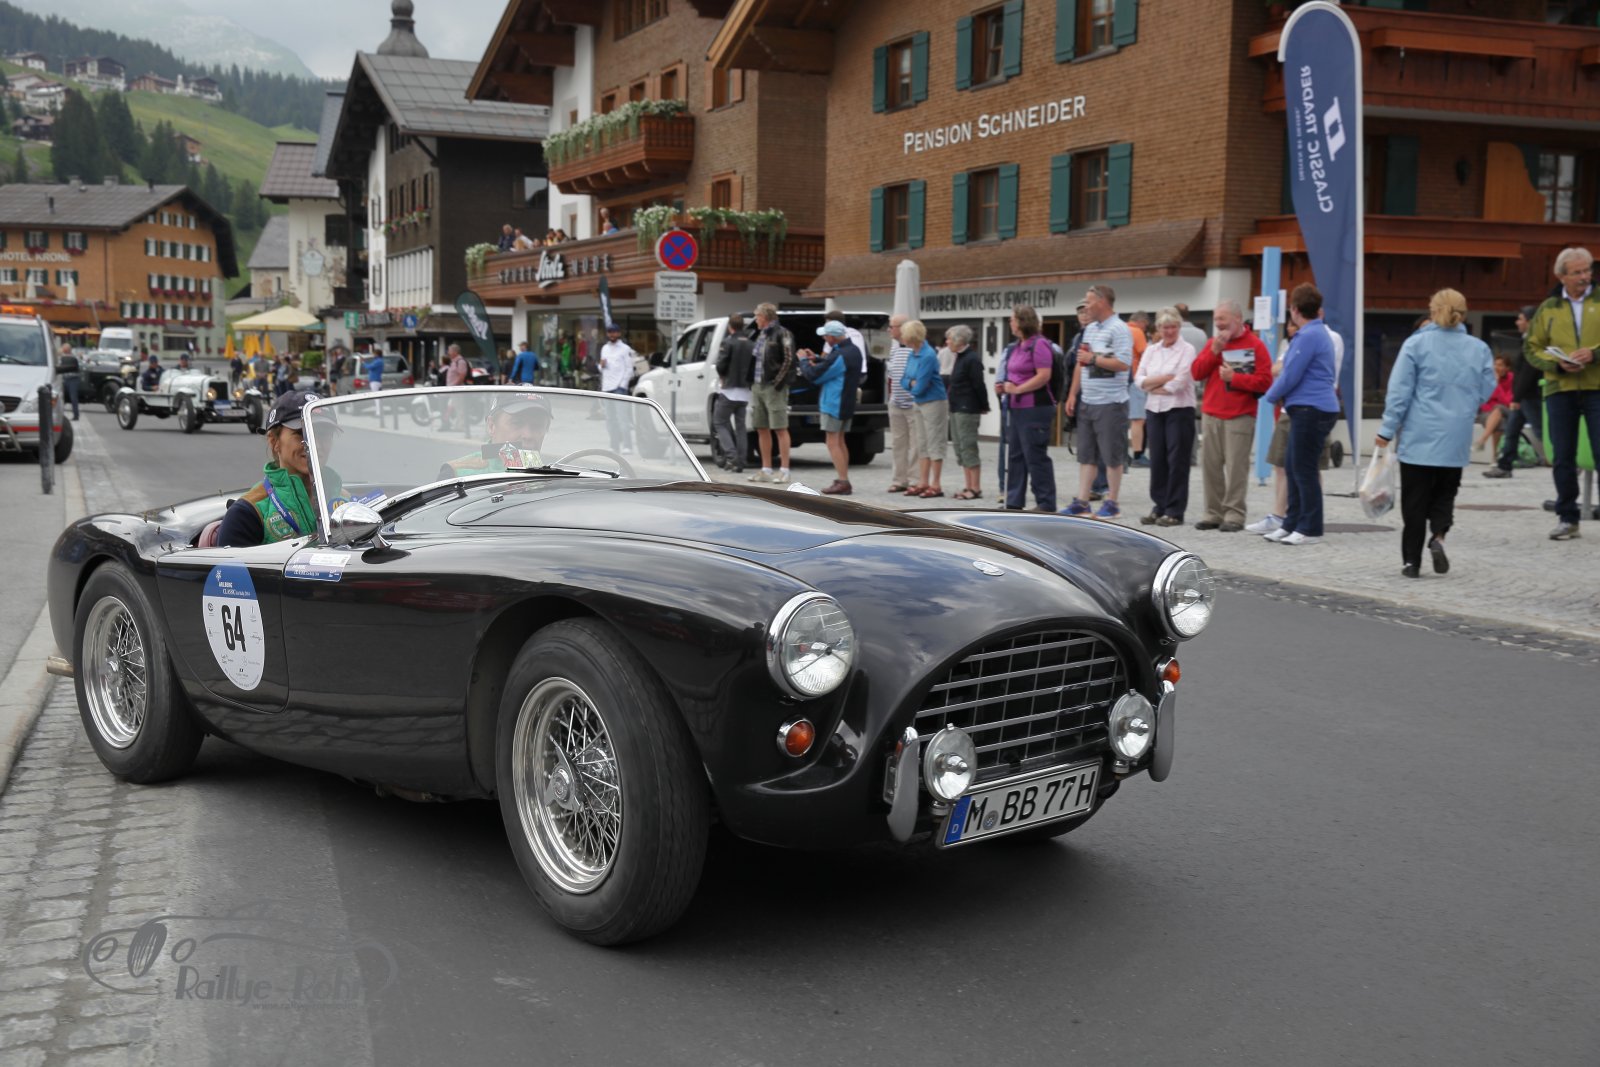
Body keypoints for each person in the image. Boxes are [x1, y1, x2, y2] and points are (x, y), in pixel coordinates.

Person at [1375, 288, 1497, 578]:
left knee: (1415, 500)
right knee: (1445, 493)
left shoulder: (1416, 344)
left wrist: (1387, 429)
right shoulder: (1478, 348)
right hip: (1456, 434)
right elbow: (1487, 388)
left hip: (1419, 433)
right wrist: (1466, 403)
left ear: (1432, 311)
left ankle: (1411, 561)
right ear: (1463, 314)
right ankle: (1439, 537)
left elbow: (1400, 392)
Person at [1522, 246, 1600, 540]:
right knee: (1563, 456)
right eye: (1577, 272)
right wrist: (1556, 364)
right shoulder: (1548, 308)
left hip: (1597, 388)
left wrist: (1594, 355)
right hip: (1560, 389)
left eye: (1587, 270)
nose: (1584, 276)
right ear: (1562, 276)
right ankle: (1568, 518)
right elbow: (1532, 348)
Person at [215, 391, 348, 547]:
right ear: (274, 441)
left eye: (323, 434)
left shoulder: (347, 501)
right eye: (302, 433)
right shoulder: (246, 513)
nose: (315, 444)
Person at [1262, 284, 1340, 546]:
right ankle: (1291, 523)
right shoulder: (1315, 333)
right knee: (1294, 466)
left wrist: (1269, 396)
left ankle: (1309, 527)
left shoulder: (1308, 336)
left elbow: (1290, 374)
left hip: (1311, 409)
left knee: (1304, 470)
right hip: (1309, 407)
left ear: (1294, 310)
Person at [1191, 298, 1273, 531]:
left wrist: (1235, 379)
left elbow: (1265, 381)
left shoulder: (1255, 345)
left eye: (1222, 319)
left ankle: (1234, 515)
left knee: (1236, 468)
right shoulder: (1213, 343)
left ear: (1237, 319)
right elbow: (1196, 372)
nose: (1218, 323)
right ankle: (1213, 513)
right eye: (1215, 319)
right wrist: (1214, 352)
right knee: (1211, 467)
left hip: (1240, 416)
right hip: (1212, 414)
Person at [1062, 285, 1132, 518]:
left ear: (1102, 302)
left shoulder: (1120, 329)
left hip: (1111, 401)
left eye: (1089, 301)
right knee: (1086, 454)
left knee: (1112, 455)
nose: (1086, 306)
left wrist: (1094, 358)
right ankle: (1082, 501)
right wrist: (1073, 394)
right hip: (1088, 400)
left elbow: (1123, 363)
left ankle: (1112, 502)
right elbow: (1081, 364)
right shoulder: (1090, 329)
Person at [1135, 308, 1198, 526]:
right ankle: (1159, 506)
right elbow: (1139, 380)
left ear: (1179, 327)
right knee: (1158, 459)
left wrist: (1154, 384)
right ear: (1158, 329)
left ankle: (1174, 510)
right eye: (1165, 327)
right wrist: (1162, 380)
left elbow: (1179, 382)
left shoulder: (1187, 350)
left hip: (1179, 409)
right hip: (1154, 409)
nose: (1169, 331)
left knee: (1177, 460)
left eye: (1173, 327)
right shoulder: (1151, 350)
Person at [1001, 303, 1058, 513]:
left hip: (1035, 407)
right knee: (1015, 455)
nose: (1010, 322)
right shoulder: (1017, 346)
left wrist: (1018, 389)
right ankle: (1014, 502)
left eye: (1012, 319)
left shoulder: (1039, 344)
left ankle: (1046, 503)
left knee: (1035, 455)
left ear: (1022, 321)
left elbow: (1044, 376)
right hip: (1017, 407)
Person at [799, 321, 865, 494]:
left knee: (832, 442)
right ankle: (843, 478)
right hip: (847, 402)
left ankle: (843, 481)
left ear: (833, 337)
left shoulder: (840, 355)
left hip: (834, 403)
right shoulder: (853, 350)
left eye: (825, 336)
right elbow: (833, 364)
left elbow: (815, 375)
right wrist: (817, 358)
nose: (824, 338)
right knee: (841, 441)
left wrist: (803, 361)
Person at [1484, 306, 1546, 478]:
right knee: (1511, 431)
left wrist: (1516, 397)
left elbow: (1528, 372)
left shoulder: (1534, 342)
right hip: (1522, 397)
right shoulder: (1526, 340)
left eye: (1520, 319)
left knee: (1543, 432)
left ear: (1530, 322)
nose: (1517, 322)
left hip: (1530, 396)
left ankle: (1569, 462)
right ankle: (1504, 466)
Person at [439, 391, 554, 479]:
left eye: (537, 426)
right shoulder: (456, 473)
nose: (528, 435)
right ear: (491, 426)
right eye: (517, 423)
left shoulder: (553, 479)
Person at [747, 303, 797, 484]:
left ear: (766, 316)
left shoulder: (783, 333)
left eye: (758, 316)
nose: (756, 320)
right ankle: (766, 469)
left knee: (780, 427)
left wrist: (778, 382)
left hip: (773, 386)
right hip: (758, 385)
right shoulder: (761, 334)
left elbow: (789, 359)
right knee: (761, 427)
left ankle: (785, 470)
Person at [897, 319, 947, 498]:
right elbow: (903, 379)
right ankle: (923, 482)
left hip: (934, 402)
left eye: (903, 334)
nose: (901, 337)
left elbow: (920, 386)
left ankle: (936, 484)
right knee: (922, 442)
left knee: (935, 442)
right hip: (918, 402)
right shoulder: (913, 353)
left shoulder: (928, 355)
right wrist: (911, 382)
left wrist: (911, 383)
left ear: (911, 336)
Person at [944, 324, 989, 500]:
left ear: (959, 340)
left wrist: (983, 405)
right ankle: (968, 485)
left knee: (968, 446)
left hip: (967, 408)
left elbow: (979, 385)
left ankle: (975, 488)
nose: (947, 342)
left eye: (949, 338)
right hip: (956, 407)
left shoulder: (972, 359)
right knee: (959, 447)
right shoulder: (960, 357)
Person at [884, 314, 923, 494]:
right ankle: (899, 479)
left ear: (902, 328)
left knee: (916, 444)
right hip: (895, 402)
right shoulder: (893, 348)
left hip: (913, 402)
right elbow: (891, 374)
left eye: (892, 326)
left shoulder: (914, 349)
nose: (889, 330)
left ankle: (915, 480)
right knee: (898, 443)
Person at [712, 315, 754, 472]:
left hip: (729, 389)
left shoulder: (728, 342)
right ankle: (741, 460)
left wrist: (722, 376)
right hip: (745, 391)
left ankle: (732, 456)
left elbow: (721, 365)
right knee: (741, 426)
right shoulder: (751, 343)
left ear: (730, 327)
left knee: (719, 422)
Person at [598, 323, 637, 453]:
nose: (612, 334)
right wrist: (601, 365)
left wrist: (622, 385)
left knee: (622, 417)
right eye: (610, 332)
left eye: (614, 332)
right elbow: (601, 368)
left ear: (619, 333)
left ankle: (627, 445)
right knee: (610, 419)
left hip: (619, 388)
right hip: (607, 387)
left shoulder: (625, 349)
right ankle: (614, 445)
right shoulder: (604, 348)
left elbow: (629, 369)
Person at [1472, 355, 1516, 453]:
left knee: (1498, 407)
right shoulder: (1487, 379)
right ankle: (1494, 457)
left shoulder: (1512, 379)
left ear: (1507, 368)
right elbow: (1484, 399)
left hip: (1507, 410)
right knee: (1500, 422)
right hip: (1487, 412)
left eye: (1500, 365)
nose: (1496, 367)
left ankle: (1482, 441)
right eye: (1495, 364)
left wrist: (1497, 384)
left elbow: (1507, 402)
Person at [1126, 311, 1151, 468]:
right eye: (1146, 326)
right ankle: (1138, 455)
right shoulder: (1136, 331)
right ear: (1142, 321)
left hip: (1121, 379)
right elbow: (1146, 355)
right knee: (1138, 418)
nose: (1145, 329)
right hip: (1135, 379)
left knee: (1123, 419)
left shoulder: (1121, 329)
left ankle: (1123, 453)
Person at [57, 343, 81, 420]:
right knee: (62, 398)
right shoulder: (62, 357)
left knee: (73, 398)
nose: (64, 350)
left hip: (72, 379)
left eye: (65, 348)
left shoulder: (72, 357)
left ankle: (76, 415)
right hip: (65, 379)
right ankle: (60, 415)